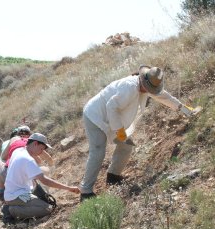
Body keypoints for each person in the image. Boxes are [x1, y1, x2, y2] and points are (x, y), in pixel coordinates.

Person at [80, 65, 198, 201]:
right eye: (149, 89)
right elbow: (111, 107)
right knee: (98, 151)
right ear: (143, 80)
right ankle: (86, 192)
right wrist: (119, 131)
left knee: (126, 146)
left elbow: (164, 96)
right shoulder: (129, 87)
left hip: (112, 118)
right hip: (95, 116)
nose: (150, 92)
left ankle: (113, 176)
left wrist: (184, 109)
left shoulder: (148, 85)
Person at [2, 133, 79, 222]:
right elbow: (45, 180)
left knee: (43, 198)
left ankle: (14, 206)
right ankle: (11, 210)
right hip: (16, 196)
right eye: (41, 148)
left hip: (11, 193)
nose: (41, 152)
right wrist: (69, 188)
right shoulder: (28, 159)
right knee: (47, 209)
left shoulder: (18, 151)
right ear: (35, 143)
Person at [0, 126, 54, 200]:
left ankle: (1, 193)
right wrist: (52, 167)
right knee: (43, 171)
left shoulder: (14, 140)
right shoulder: (32, 144)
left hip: (7, 172)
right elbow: (45, 159)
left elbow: (3, 157)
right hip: (20, 176)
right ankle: (43, 195)